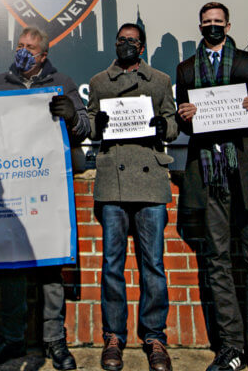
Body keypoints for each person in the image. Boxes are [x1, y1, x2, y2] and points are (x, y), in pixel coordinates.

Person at [175, 3, 248, 371]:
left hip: (247, 171)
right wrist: (184, 118)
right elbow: (183, 122)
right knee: (217, 261)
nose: (214, 27)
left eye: (219, 22)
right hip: (208, 173)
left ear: (229, 25)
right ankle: (231, 346)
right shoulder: (186, 69)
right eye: (208, 23)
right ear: (200, 26)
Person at [0, 27, 88, 370]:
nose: (23, 52)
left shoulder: (63, 81)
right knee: (12, 267)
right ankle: (12, 340)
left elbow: (87, 126)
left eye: (30, 48)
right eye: (20, 46)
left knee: (51, 269)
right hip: (12, 189)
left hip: (48, 187)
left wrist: (71, 114)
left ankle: (55, 341)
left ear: (43, 55)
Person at [88, 22, 178, 371]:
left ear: (142, 47)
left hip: (150, 176)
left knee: (152, 264)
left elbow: (172, 123)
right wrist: (100, 123)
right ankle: (113, 337)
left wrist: (161, 126)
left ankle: (155, 336)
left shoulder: (160, 80)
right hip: (113, 178)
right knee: (112, 264)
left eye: (132, 41)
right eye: (121, 40)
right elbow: (92, 124)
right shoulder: (98, 82)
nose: (126, 45)